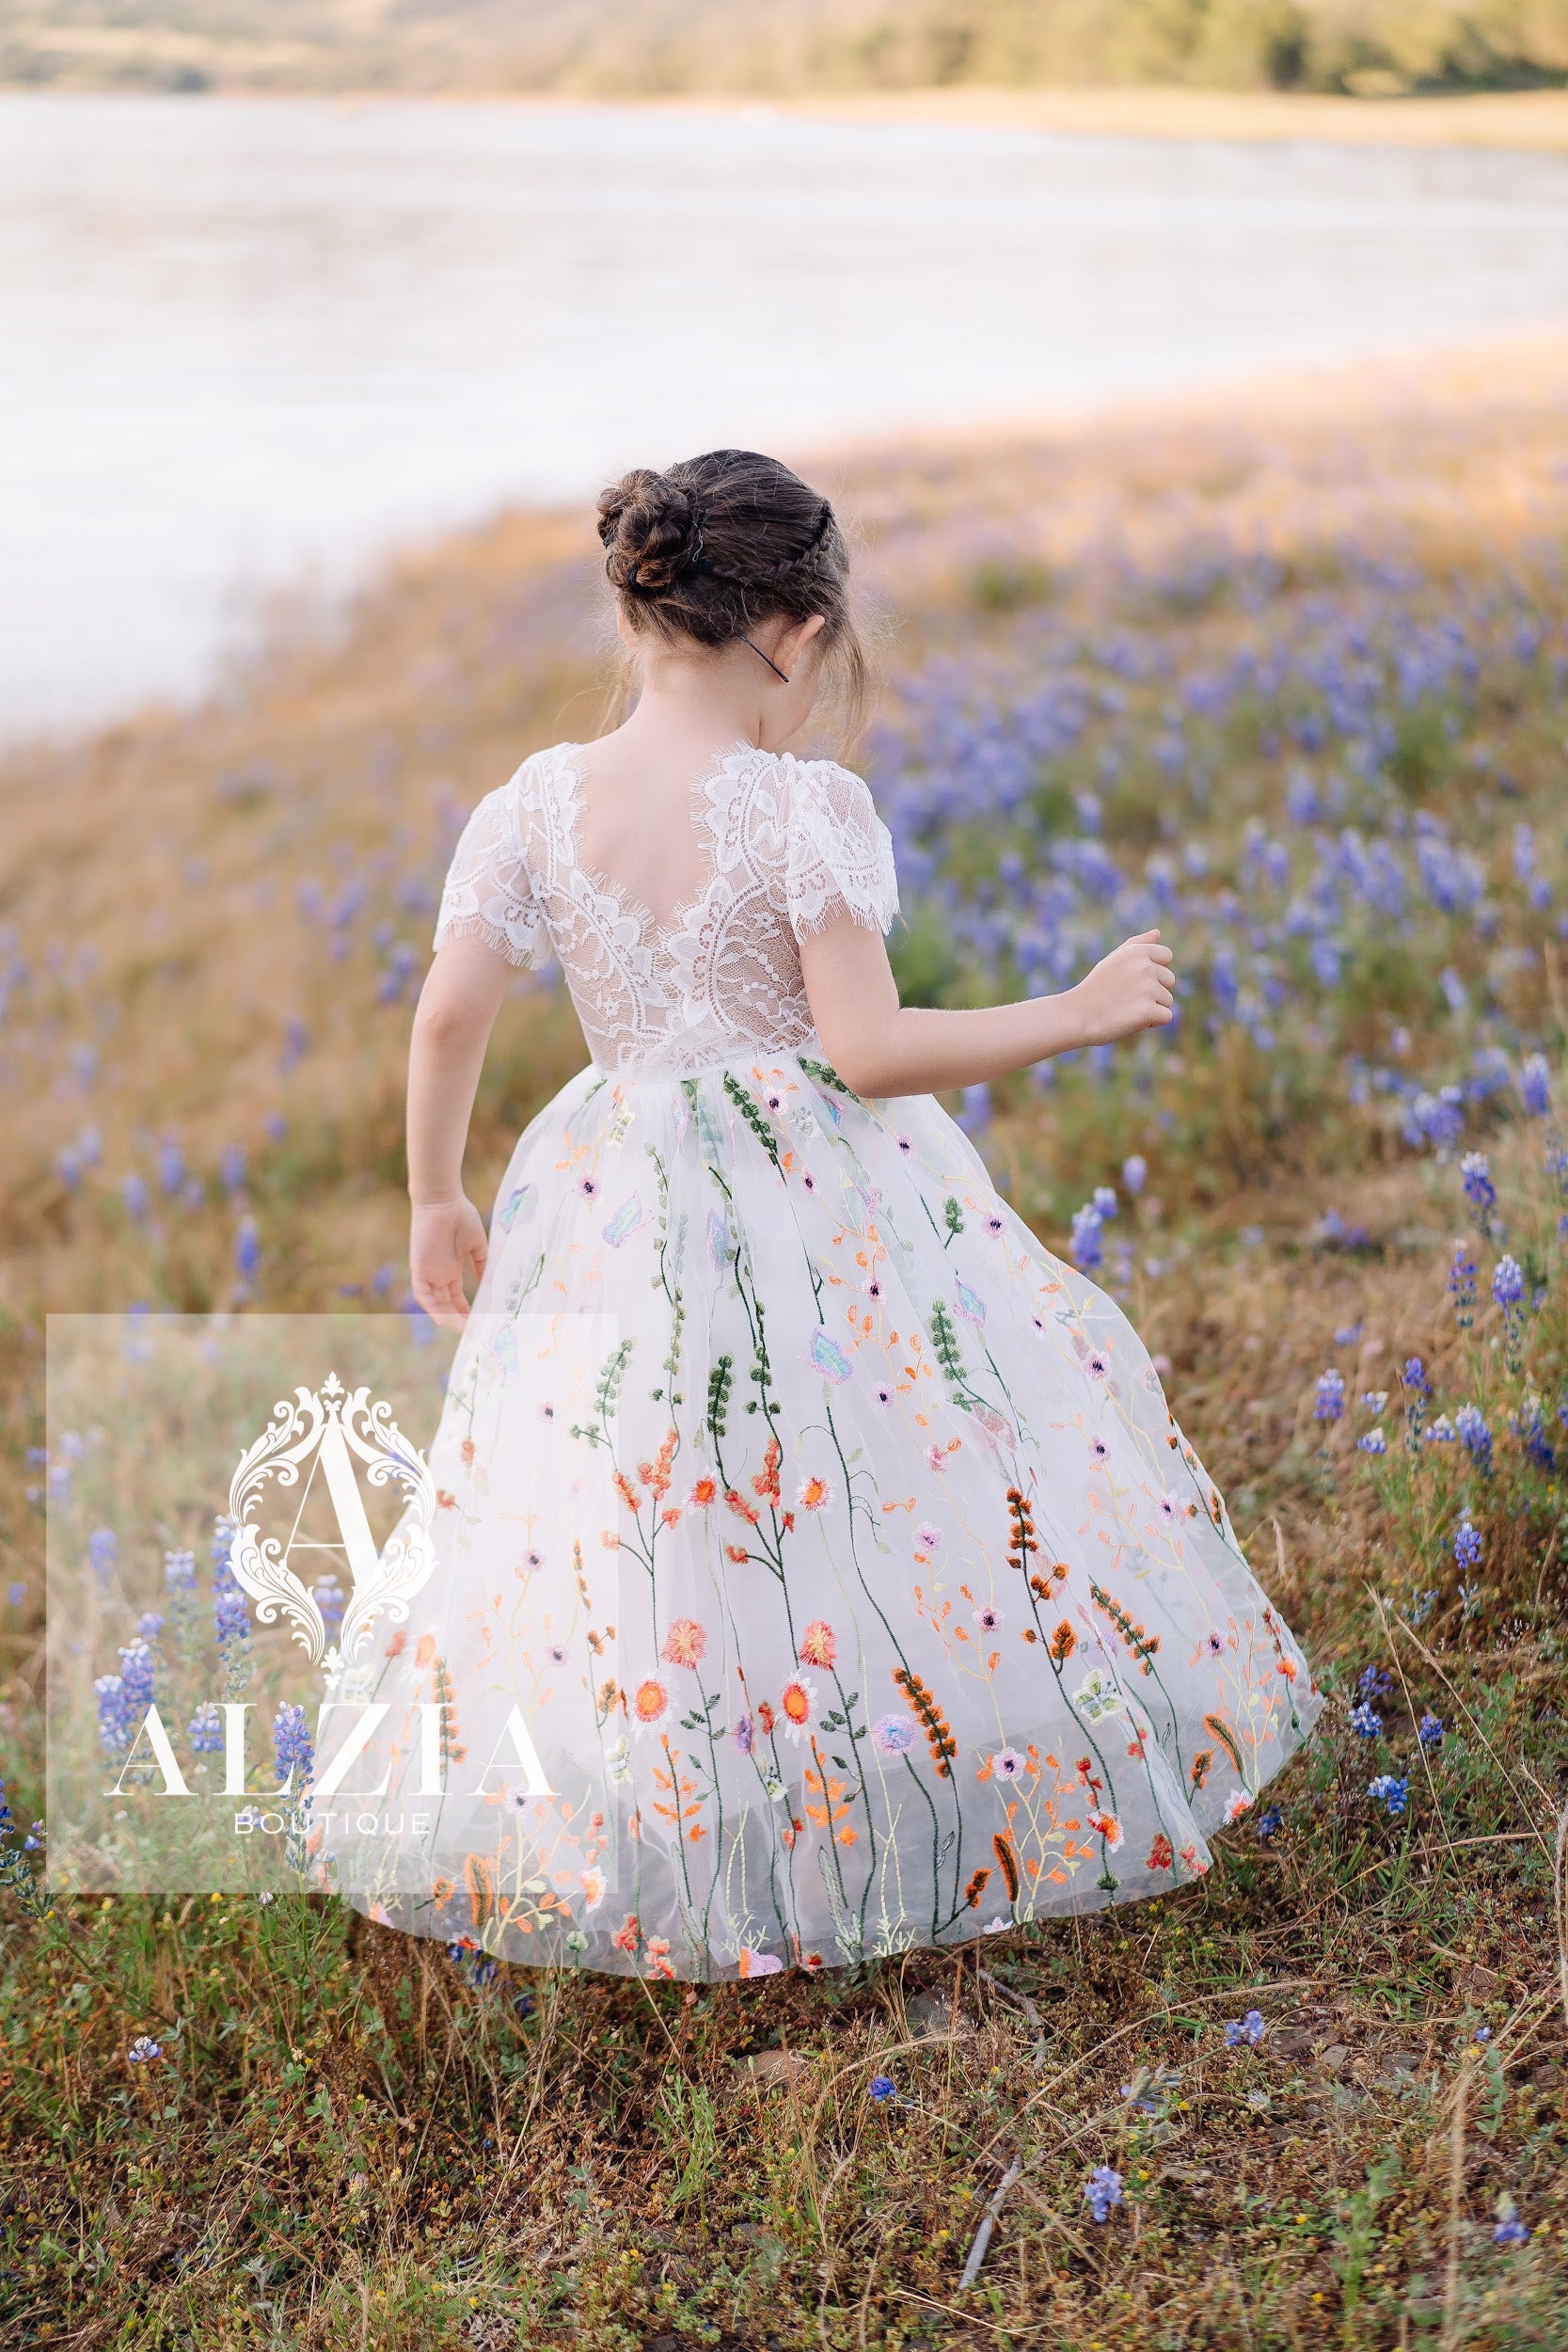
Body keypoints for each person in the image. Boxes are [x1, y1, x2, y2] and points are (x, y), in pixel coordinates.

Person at [326, 449, 1320, 1981]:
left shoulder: (531, 805)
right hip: (818, 1187)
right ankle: (892, 1766)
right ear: (790, 632)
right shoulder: (803, 808)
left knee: (650, 1494)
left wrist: (434, 1193)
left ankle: (681, 1798)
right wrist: (1072, 1009)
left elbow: (449, 1018)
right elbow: (868, 1051)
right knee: (874, 1471)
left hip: (613, 1186)